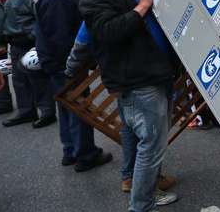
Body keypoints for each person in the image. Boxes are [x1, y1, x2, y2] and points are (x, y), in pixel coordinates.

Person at [80, 0, 179, 212]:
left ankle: (150, 191)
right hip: (135, 80)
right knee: (151, 144)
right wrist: (143, 6)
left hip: (160, 75)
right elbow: (106, 32)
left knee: (146, 141)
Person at [64, 22, 176, 192]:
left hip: (127, 76)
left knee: (132, 129)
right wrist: (71, 69)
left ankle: (132, 178)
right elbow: (83, 39)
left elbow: (82, 42)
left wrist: (71, 70)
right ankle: (146, 188)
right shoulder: (118, 0)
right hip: (142, 76)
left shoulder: (107, 2)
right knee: (150, 136)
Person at [35, 0, 113, 171]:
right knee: (79, 108)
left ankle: (71, 150)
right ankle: (85, 155)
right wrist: (77, 64)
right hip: (65, 64)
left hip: (58, 64)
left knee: (68, 107)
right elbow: (61, 39)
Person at [0, 0, 55, 128]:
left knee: (38, 80)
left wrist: (33, 39)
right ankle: (26, 111)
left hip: (30, 44)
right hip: (15, 44)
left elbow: (43, 21)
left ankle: (47, 112)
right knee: (19, 81)